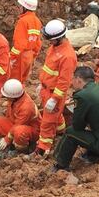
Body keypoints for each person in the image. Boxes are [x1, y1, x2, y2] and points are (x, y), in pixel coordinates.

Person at [35, 19, 77, 156]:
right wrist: (42, 84)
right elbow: (49, 69)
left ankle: (43, 148)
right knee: (55, 117)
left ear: (58, 38)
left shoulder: (67, 56)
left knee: (47, 122)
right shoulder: (55, 47)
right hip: (46, 89)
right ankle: (60, 131)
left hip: (54, 93)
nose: (49, 42)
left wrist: (54, 99)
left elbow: (64, 82)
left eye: (51, 40)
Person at [0, 79, 40, 153]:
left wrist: (6, 139)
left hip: (31, 131)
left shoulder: (26, 107)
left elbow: (18, 125)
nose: (5, 97)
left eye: (6, 96)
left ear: (13, 97)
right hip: (15, 124)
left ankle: (21, 152)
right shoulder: (16, 99)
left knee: (19, 132)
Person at [8, 0, 43, 84]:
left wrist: (11, 57)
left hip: (20, 56)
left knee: (14, 82)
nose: (19, 8)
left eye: (20, 6)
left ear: (25, 7)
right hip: (29, 55)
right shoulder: (37, 21)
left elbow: (19, 44)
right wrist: (33, 55)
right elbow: (38, 42)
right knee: (22, 81)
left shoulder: (23, 21)